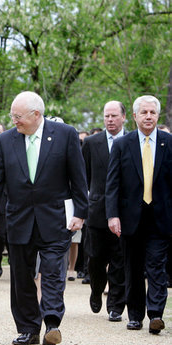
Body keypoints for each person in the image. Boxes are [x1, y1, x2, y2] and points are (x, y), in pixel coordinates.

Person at [0, 91, 88, 345]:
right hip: (18, 219)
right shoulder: (5, 141)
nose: (14, 121)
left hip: (55, 218)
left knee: (52, 270)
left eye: (18, 116)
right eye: (12, 116)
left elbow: (78, 177)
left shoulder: (65, 135)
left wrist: (80, 213)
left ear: (36, 114)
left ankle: (51, 322)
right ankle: (28, 329)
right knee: (20, 275)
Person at [106, 95, 172, 335]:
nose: (148, 117)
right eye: (143, 112)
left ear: (157, 116)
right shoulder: (123, 144)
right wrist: (112, 215)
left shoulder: (168, 142)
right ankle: (135, 315)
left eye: (152, 113)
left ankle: (155, 314)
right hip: (130, 217)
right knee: (132, 267)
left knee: (157, 266)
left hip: (160, 217)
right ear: (134, 116)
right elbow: (112, 183)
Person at [82, 101, 126, 322]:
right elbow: (83, 177)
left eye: (114, 116)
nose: (109, 119)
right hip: (97, 210)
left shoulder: (131, 141)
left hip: (125, 210)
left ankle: (116, 305)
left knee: (120, 259)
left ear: (124, 117)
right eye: (106, 116)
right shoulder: (91, 143)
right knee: (96, 258)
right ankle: (97, 289)